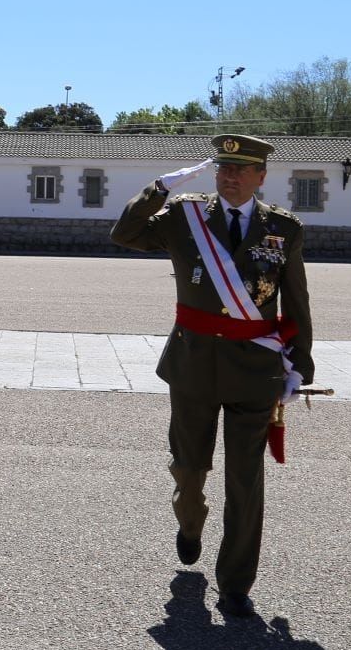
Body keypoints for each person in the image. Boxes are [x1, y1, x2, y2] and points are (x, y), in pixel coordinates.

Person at [110, 135, 314, 620]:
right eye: (224, 167)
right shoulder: (186, 216)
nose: (230, 176)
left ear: (261, 176)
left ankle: (236, 583)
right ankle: (190, 522)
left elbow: (296, 300)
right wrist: (157, 188)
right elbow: (126, 234)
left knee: (245, 480)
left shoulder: (282, 227)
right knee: (189, 468)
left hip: (255, 371)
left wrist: (299, 364)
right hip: (194, 365)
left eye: (242, 169)